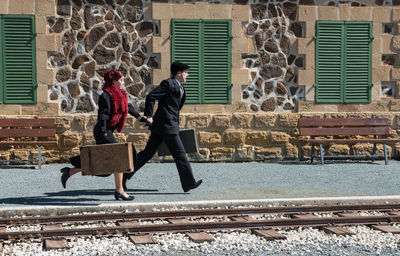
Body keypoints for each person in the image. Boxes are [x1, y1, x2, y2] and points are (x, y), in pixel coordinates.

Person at [60, 69, 145, 201]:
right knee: (119, 155)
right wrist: (104, 132)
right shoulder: (106, 95)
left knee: (104, 161)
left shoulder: (121, 94)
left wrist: (140, 118)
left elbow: (128, 107)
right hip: (102, 130)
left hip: (107, 130)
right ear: (114, 81)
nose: (123, 82)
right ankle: (119, 191)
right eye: (121, 80)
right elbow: (103, 116)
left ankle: (70, 172)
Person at [123, 61, 202, 192]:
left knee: (146, 154)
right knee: (180, 155)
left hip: (164, 126)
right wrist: (149, 115)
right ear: (179, 73)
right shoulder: (168, 84)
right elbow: (151, 96)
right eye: (186, 72)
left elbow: (173, 108)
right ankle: (188, 183)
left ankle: (124, 176)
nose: (187, 75)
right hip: (167, 126)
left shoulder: (180, 87)